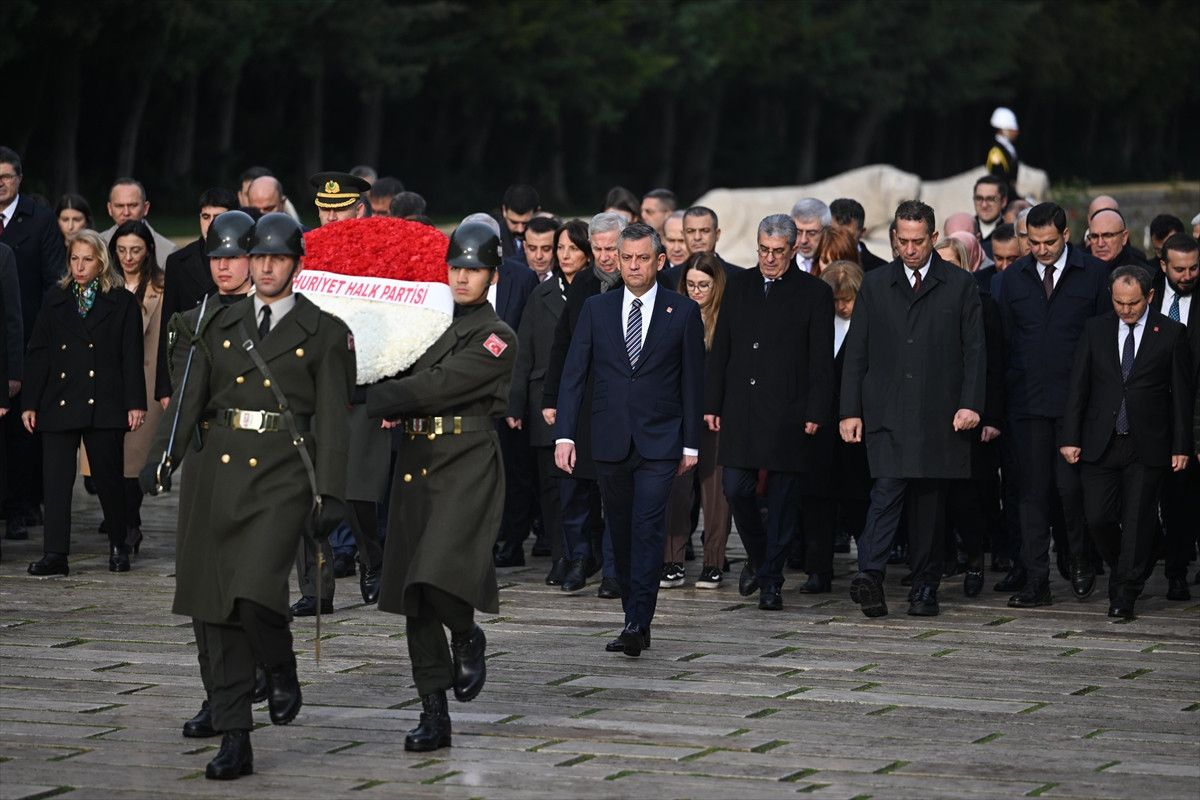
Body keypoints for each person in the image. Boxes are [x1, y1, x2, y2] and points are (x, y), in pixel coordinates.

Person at [140, 211, 354, 780]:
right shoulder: (218, 324)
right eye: (258, 257)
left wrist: (331, 492)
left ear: (296, 264)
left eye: (277, 258)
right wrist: (163, 457)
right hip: (221, 473)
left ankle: (279, 665)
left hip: (284, 473)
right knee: (216, 605)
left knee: (255, 591)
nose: (264, 267)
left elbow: (334, 421)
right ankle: (236, 735)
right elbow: (189, 398)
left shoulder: (324, 331)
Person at [365, 220, 516, 751]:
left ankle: (467, 633)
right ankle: (433, 711)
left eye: (474, 269)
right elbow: (394, 365)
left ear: (492, 276)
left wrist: (374, 397)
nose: (462, 277)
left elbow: (441, 385)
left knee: (436, 572)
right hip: (416, 460)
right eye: (455, 268)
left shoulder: (498, 336)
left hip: (466, 462)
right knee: (414, 592)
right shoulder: (425, 323)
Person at [556, 222, 703, 655]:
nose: (634, 266)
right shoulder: (596, 309)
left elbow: (693, 381)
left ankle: (639, 622)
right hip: (610, 438)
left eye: (642, 258)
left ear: (660, 261)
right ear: (616, 261)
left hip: (662, 440)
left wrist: (691, 443)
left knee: (647, 527)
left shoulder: (683, 311)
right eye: (626, 258)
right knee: (619, 530)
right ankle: (631, 614)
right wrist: (564, 435)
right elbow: (573, 375)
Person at [841, 200, 985, 618]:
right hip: (886, 410)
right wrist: (850, 410)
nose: (909, 249)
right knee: (885, 493)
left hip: (939, 413)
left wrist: (971, 404)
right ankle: (871, 576)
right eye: (902, 241)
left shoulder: (960, 285)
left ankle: (925, 587)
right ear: (893, 238)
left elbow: (975, 351)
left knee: (929, 506)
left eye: (917, 241)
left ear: (933, 238)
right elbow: (857, 352)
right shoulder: (875, 284)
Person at [705, 214, 834, 610]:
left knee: (782, 502)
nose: (770, 258)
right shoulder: (739, 285)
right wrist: (712, 401)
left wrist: (816, 409)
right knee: (735, 489)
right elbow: (722, 347)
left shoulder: (814, 293)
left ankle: (771, 582)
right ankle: (762, 560)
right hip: (742, 408)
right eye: (763, 250)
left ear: (793, 249)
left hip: (789, 411)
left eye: (778, 251)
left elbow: (821, 359)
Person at [1060, 266, 1192, 619]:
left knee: (1136, 519)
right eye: (1119, 302)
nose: (1125, 309)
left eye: (1133, 303)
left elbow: (1181, 396)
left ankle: (1125, 592)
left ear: (1149, 297)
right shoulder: (1095, 329)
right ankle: (1137, 559)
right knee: (1097, 517)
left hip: (1147, 442)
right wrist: (1070, 437)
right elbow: (1078, 386)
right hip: (1100, 440)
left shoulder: (1171, 333)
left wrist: (1181, 445)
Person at [997, 202, 1110, 607]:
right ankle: (1036, 581)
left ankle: (1079, 555)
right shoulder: (1012, 279)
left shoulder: (1094, 275)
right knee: (1031, 493)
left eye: (1049, 242)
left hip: (1076, 406)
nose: (1041, 250)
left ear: (1066, 235)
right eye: (1033, 242)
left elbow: (1105, 342)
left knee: (1070, 489)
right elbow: (1004, 341)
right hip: (1026, 404)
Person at [23, 229, 145, 576]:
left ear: (101, 262)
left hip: (104, 400)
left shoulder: (121, 302)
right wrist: (30, 402)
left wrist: (135, 403)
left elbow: (131, 356)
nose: (79, 266)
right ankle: (55, 554)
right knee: (56, 482)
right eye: (74, 259)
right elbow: (39, 353)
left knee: (109, 479)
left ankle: (119, 544)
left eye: (87, 259)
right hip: (58, 399)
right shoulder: (55, 298)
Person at [290, 172, 385, 615]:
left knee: (358, 495)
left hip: (361, 384)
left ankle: (373, 560)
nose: (330, 217)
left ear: (359, 210)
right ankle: (316, 588)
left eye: (340, 209)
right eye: (324, 209)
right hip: (311, 386)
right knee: (308, 492)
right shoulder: (302, 254)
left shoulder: (377, 255)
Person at [542, 212, 627, 597]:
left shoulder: (639, 283)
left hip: (621, 405)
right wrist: (551, 398)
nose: (606, 256)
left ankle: (613, 570)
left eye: (612, 248)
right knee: (573, 486)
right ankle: (579, 558)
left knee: (614, 491)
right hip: (581, 400)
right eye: (599, 249)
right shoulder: (584, 284)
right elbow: (562, 343)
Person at [508, 219, 591, 585]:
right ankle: (561, 555)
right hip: (545, 401)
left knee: (585, 484)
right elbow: (523, 352)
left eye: (573, 248)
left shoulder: (598, 291)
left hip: (587, 401)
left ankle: (586, 553)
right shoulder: (540, 294)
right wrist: (515, 404)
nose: (565, 255)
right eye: (561, 248)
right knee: (551, 486)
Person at [1, 147, 65, 541]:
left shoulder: (39, 220)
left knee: (22, 431)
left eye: (6, 176)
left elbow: (52, 282)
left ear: (19, 179)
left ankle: (21, 505)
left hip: (26, 340)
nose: (0, 184)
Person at [661, 252, 731, 589]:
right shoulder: (673, 315)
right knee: (676, 491)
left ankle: (714, 562)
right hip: (679, 417)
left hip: (715, 420)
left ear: (717, 285)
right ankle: (672, 560)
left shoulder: (727, 319)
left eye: (704, 285)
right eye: (691, 285)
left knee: (716, 496)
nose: (697, 291)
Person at [97, 221, 164, 553]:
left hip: (147, 379)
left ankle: (129, 523)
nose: (128, 257)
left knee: (135, 460)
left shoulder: (162, 287)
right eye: (121, 250)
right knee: (103, 461)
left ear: (148, 251)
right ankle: (122, 521)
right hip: (107, 381)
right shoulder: (103, 286)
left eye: (135, 250)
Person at [155, 188, 238, 402]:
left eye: (218, 217)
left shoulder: (246, 260)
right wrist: (164, 388)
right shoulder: (178, 261)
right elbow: (168, 323)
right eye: (205, 216)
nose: (211, 224)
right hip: (190, 364)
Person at [1151, 233, 1199, 601]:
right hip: (1153, 417)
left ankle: (1179, 571)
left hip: (1194, 415)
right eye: (1179, 269)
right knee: (1167, 499)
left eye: (1194, 268)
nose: (1187, 276)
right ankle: (1172, 567)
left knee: (1187, 497)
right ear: (1163, 265)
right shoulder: (1145, 295)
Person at [819, 262, 872, 580]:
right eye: (836, 300)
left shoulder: (869, 325)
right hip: (823, 426)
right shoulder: (822, 323)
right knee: (820, 499)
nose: (842, 306)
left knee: (858, 500)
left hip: (858, 427)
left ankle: (869, 565)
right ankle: (819, 568)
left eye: (848, 299)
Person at [98, 178, 176, 267]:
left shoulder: (168, 251)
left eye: (133, 205)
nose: (126, 212)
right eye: (119, 206)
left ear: (145, 208)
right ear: (110, 208)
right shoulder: (95, 245)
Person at [830, 198, 888, 271]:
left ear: (862, 233)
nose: (842, 240)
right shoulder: (816, 263)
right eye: (835, 234)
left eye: (849, 236)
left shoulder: (882, 270)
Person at [681, 206, 740, 276]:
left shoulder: (739, 276)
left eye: (705, 231)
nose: (697, 237)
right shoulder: (670, 277)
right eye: (690, 231)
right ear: (683, 235)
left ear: (717, 234)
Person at [495, 184, 539, 262]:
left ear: (537, 213)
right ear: (504, 210)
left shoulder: (551, 237)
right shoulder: (491, 239)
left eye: (525, 223)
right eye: (514, 222)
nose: (520, 230)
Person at [985, 106, 1020, 201]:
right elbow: (998, 179)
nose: (1016, 133)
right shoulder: (995, 151)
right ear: (1004, 130)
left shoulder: (1008, 148)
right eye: (1013, 129)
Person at [790, 198, 831, 274]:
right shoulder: (780, 263)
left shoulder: (836, 262)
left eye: (812, 233)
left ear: (826, 232)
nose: (803, 240)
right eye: (798, 232)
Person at [972, 175, 1008, 258]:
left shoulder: (1013, 233)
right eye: (979, 198)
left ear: (1003, 201)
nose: (984, 205)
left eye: (991, 199)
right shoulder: (965, 230)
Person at [521, 215, 559, 282]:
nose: (539, 256)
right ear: (525, 246)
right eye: (532, 248)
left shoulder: (569, 276)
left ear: (558, 247)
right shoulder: (510, 273)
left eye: (546, 249)